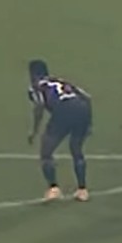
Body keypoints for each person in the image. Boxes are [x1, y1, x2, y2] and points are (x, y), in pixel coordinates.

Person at [26, 59, 91, 203]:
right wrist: (89, 124)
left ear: (33, 74)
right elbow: (86, 97)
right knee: (76, 149)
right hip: (82, 109)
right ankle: (82, 190)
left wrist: (34, 131)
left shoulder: (36, 87)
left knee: (46, 151)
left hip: (63, 111)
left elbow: (39, 107)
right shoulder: (60, 81)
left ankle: (53, 188)